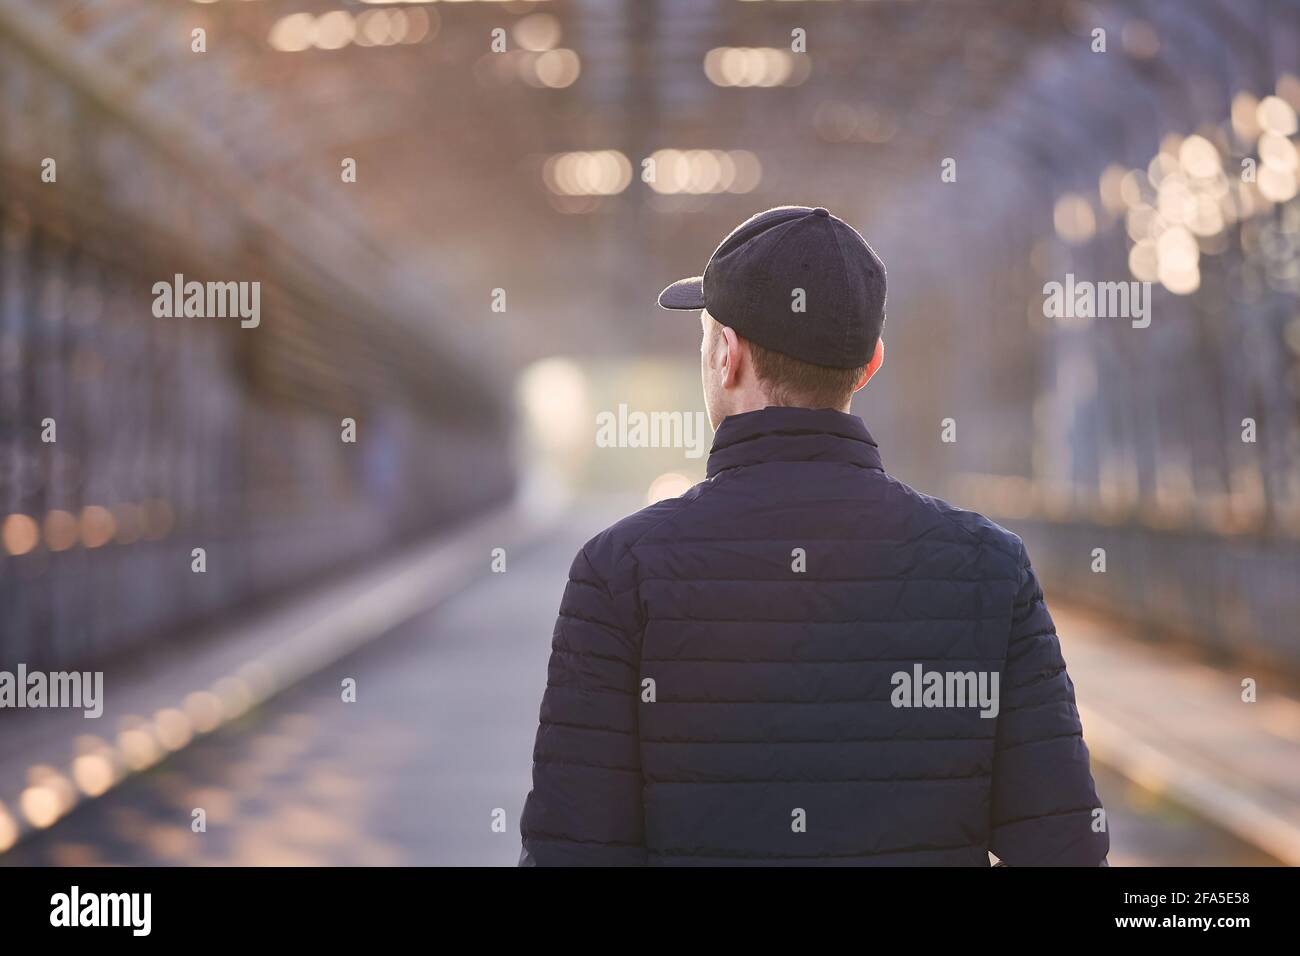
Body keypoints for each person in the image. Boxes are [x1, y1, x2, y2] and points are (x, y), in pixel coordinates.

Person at [519, 205, 1109, 866]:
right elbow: (1062, 849)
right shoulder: (990, 569)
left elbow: (573, 853)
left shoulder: (618, 571)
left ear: (727, 356)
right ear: (869, 364)